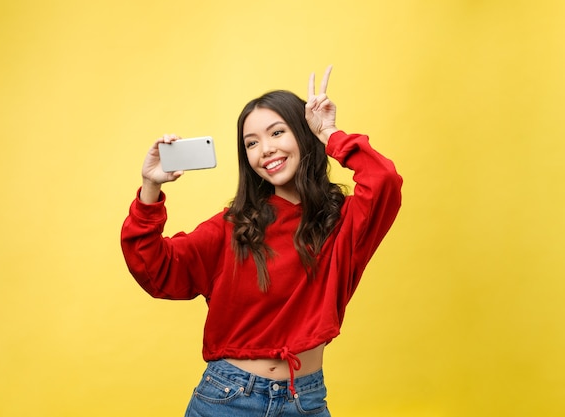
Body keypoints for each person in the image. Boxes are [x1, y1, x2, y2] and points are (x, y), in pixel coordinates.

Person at [121, 66, 402, 417]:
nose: (265, 149)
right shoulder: (233, 228)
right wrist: (150, 188)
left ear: (304, 135)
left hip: (306, 400)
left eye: (277, 133)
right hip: (228, 398)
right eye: (251, 143)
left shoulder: (343, 224)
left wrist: (328, 132)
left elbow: (384, 180)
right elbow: (155, 270)